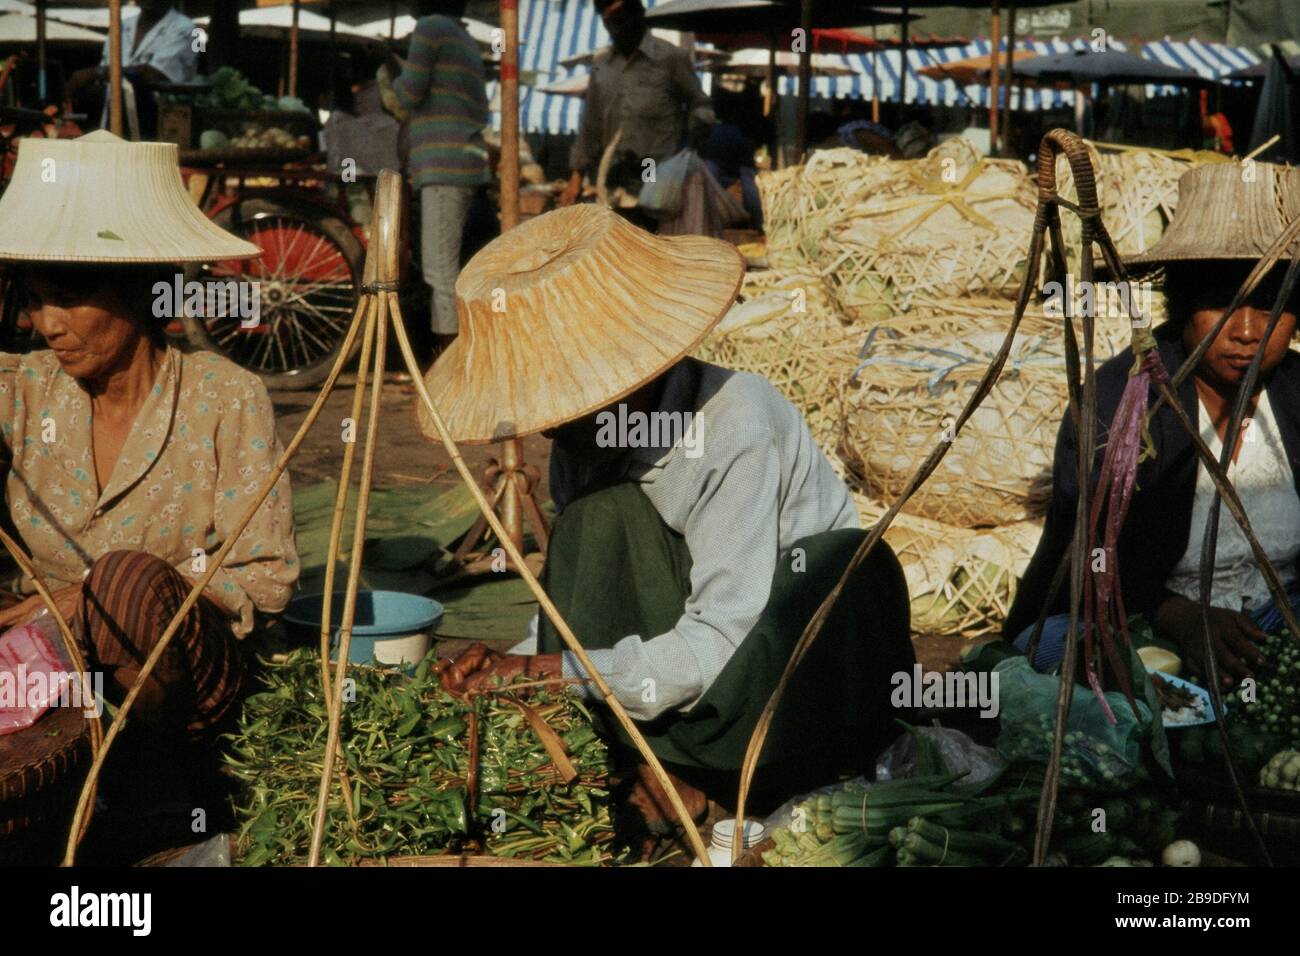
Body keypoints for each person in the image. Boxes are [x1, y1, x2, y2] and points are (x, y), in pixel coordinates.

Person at [420, 204, 914, 818]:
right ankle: (646, 759)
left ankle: (704, 773)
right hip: (680, 645)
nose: (552, 429)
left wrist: (550, 669)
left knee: (833, 564)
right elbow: (577, 599)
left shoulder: (734, 424)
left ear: (628, 380)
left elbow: (720, 639)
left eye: (567, 407)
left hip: (783, 667)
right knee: (596, 520)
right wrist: (516, 663)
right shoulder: (585, 442)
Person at [0, 131, 299, 739]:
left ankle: (148, 773)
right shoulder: (23, 390)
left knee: (124, 580)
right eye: (35, 301)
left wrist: (87, 599)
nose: (47, 325)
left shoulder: (224, 397)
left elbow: (265, 578)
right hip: (42, 659)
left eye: (69, 300)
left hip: (190, 680)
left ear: (140, 292)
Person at [1005, 162, 1300, 689]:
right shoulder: (1122, 400)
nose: (1249, 331)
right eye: (1221, 304)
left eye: (1271, 306)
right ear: (1183, 305)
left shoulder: (1296, 393)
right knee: (1062, 649)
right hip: (1137, 619)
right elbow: (1090, 560)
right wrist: (1179, 617)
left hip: (1276, 616)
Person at [377, 0, 489, 358]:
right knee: (450, 270)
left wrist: (390, 62)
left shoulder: (431, 29)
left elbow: (408, 93)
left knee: (440, 273)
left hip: (443, 166)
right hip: (464, 164)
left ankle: (450, 364)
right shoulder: (462, 36)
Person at [557, 0, 715, 225]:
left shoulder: (670, 58)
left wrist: (695, 133)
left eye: (622, 18)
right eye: (610, 22)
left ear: (638, 15)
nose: (617, 28)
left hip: (656, 173)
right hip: (614, 179)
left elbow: (701, 105)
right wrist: (576, 177)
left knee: (651, 240)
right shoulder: (603, 65)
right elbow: (589, 125)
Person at [67, 0, 199, 133]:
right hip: (114, 118)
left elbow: (155, 73)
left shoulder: (189, 30)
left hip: (160, 122)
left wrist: (97, 72)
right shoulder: (122, 25)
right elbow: (106, 69)